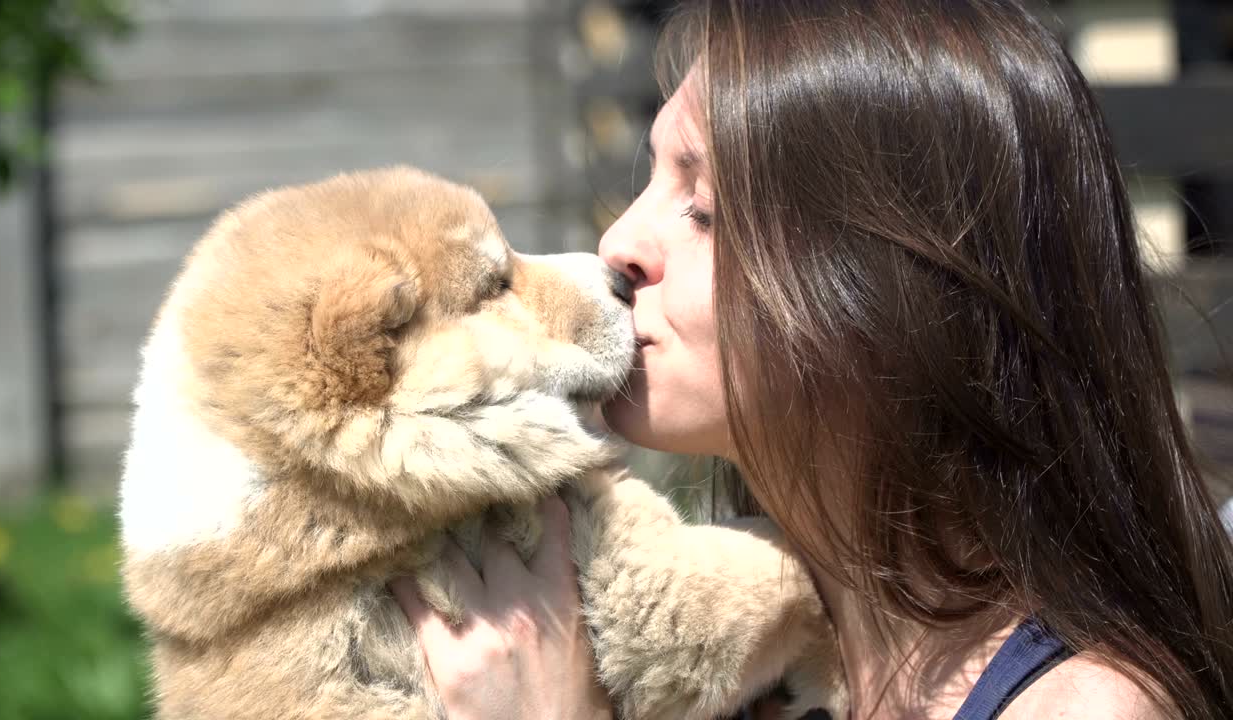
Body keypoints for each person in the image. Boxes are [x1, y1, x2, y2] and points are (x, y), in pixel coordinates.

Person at [391, 1, 1233, 717]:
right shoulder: (738, 650)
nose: (619, 244)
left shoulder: (1080, 706)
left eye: (705, 209)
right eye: (651, 181)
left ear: (891, 285)